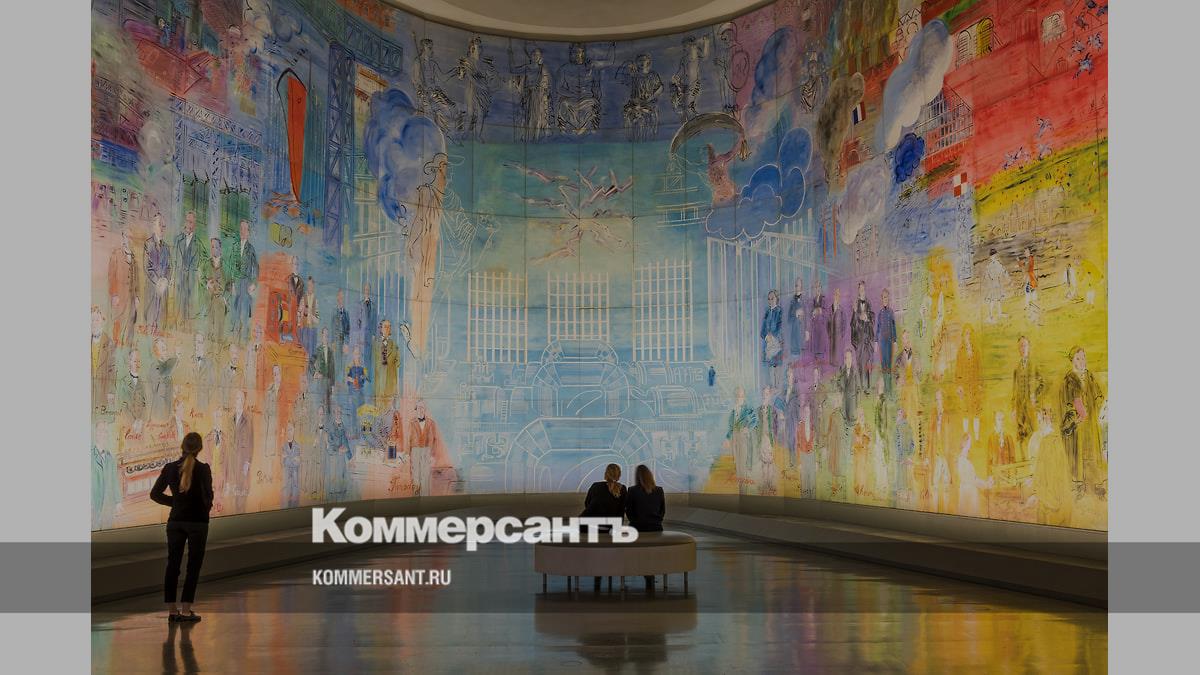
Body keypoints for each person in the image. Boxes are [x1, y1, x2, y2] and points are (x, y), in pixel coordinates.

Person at [149, 432, 213, 623]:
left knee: (173, 565)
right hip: (198, 523)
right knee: (193, 566)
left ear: (182, 447)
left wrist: (176, 503)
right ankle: (186, 610)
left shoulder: (170, 468)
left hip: (175, 522)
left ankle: (172, 611)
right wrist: (201, 508)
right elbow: (209, 496)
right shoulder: (203, 469)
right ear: (199, 448)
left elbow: (154, 494)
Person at [581, 463, 627, 590]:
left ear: (605, 474)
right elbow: (621, 512)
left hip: (591, 528)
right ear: (619, 475)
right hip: (609, 530)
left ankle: (597, 572)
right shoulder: (622, 489)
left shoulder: (595, 486)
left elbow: (587, 504)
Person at [625, 464, 666, 589]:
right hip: (656, 528)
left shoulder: (632, 490)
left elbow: (629, 511)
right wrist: (656, 521)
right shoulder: (659, 490)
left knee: (640, 552)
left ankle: (644, 573)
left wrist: (635, 521)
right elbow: (662, 510)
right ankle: (650, 573)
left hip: (638, 528)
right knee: (651, 552)